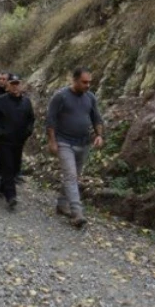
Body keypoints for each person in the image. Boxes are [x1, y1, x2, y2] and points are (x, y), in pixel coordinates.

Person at [45, 67, 105, 228]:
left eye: (89, 82)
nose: (87, 85)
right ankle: (77, 212)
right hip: (65, 142)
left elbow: (96, 118)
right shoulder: (60, 96)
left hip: (84, 143)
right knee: (71, 176)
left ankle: (62, 203)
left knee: (74, 176)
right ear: (75, 80)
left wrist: (99, 135)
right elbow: (50, 120)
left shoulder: (90, 98)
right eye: (84, 82)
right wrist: (52, 141)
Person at [0, 75, 35, 210]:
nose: (15, 87)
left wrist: (28, 131)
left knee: (15, 167)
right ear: (8, 86)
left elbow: (31, 119)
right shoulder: (0, 100)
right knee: (8, 166)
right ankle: (11, 196)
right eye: (12, 84)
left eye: (17, 84)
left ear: (21, 85)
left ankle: (3, 188)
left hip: (19, 141)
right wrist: (0, 132)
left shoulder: (26, 102)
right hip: (4, 141)